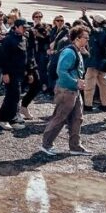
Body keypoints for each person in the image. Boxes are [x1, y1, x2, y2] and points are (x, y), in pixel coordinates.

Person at [40, 26, 90, 157]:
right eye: (85, 37)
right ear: (77, 38)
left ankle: (75, 146)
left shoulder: (78, 51)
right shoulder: (69, 52)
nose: (87, 40)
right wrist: (75, 82)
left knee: (77, 118)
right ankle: (46, 144)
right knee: (60, 117)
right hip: (66, 90)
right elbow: (61, 71)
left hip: (74, 90)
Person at [0, 19, 29, 128]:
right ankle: (2, 118)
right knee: (12, 95)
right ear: (16, 27)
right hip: (10, 73)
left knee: (15, 96)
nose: (25, 29)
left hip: (20, 72)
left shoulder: (24, 39)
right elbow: (3, 58)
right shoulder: (8, 39)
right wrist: (5, 73)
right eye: (23, 27)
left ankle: (12, 117)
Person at [81, 12, 106, 111]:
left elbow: (92, 29)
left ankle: (88, 104)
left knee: (89, 82)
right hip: (103, 60)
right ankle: (105, 104)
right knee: (103, 83)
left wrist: (85, 16)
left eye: (93, 21)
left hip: (94, 60)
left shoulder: (100, 31)